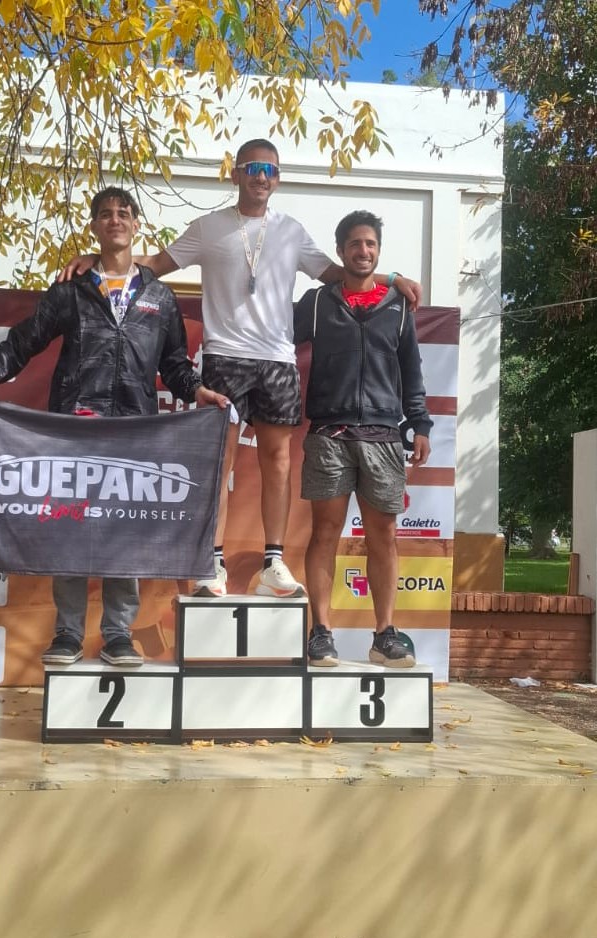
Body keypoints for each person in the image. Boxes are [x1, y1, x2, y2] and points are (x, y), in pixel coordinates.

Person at [59, 140, 421, 599]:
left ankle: (274, 563)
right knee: (220, 463)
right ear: (236, 174)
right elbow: (155, 265)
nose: (260, 177)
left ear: (278, 179)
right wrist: (98, 260)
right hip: (225, 356)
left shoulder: (291, 231)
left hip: (277, 360)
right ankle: (212, 563)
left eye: (269, 170)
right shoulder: (209, 227)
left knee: (278, 461)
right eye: (252, 168)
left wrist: (392, 278)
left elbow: (338, 272)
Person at [0, 187, 227, 668]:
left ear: (136, 225)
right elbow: (25, 341)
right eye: (105, 214)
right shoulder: (70, 290)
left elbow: (175, 364)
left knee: (127, 529)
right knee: (71, 526)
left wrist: (197, 390)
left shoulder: (159, 296)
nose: (115, 220)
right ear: (95, 226)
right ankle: (68, 633)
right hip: (75, 427)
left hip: (135, 429)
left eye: (123, 213)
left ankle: (118, 634)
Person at [294, 210, 432, 668]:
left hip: (383, 436)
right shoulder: (317, 303)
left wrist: (421, 423)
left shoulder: (398, 306)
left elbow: (411, 371)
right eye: (355, 243)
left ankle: (384, 634)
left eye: (370, 243)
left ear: (378, 251)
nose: (363, 250)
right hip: (329, 434)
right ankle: (321, 633)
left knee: (384, 536)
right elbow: (274, 337)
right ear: (341, 251)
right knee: (325, 533)